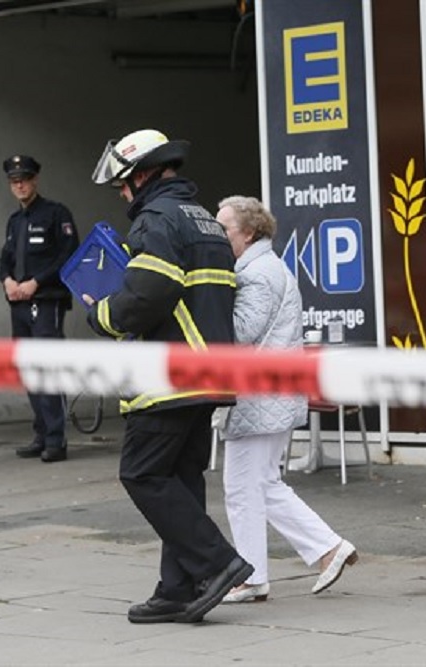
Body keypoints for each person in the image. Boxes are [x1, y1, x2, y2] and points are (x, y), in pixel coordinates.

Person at [85, 129, 252, 624]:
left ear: (143, 175)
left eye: (122, 184)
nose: (121, 193)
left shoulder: (157, 218)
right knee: (180, 477)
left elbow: (151, 291)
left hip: (171, 376)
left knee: (141, 473)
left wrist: (103, 316)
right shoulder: (204, 220)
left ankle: (219, 563)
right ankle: (177, 590)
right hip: (208, 373)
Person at [214, 196, 358, 603]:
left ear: (249, 232)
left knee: (242, 489)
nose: (218, 234)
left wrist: (211, 300)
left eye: (224, 228)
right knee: (262, 484)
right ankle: (326, 549)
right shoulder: (265, 268)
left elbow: (242, 331)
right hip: (272, 395)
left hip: (259, 397)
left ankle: (252, 576)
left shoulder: (256, 274)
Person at [0, 155, 79, 463]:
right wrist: (6, 280)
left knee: (48, 367)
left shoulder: (56, 214)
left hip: (46, 302)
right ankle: (42, 433)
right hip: (18, 303)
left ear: (35, 180)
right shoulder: (14, 221)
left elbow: (68, 256)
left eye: (24, 179)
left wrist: (37, 282)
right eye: (14, 181)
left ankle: (56, 440)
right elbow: (4, 259)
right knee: (29, 369)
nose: (19, 185)